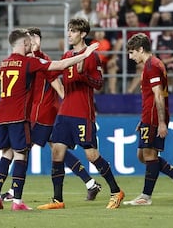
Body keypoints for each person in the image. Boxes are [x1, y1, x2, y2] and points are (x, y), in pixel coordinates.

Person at [0, 28, 99, 211]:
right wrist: (84, 55)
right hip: (28, 114)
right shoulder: (31, 61)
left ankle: (0, 195)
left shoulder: (8, 62)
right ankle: (17, 198)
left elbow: (57, 82)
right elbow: (56, 69)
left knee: (14, 153)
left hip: (28, 114)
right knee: (33, 151)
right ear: (25, 43)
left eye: (34, 38)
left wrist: (68, 109)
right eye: (29, 39)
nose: (31, 42)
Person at [36, 18, 124, 210]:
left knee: (92, 155)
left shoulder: (92, 56)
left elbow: (99, 84)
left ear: (83, 34)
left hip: (83, 113)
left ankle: (116, 191)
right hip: (64, 112)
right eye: (68, 30)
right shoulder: (68, 54)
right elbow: (54, 70)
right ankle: (57, 199)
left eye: (73, 31)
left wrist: (83, 75)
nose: (69, 34)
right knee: (57, 153)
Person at [122, 33, 173, 206]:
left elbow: (158, 95)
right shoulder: (154, 64)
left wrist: (160, 122)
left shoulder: (152, 66)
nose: (131, 57)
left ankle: (147, 195)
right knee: (142, 155)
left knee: (149, 154)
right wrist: (143, 119)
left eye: (132, 53)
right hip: (148, 115)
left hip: (154, 116)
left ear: (140, 49)